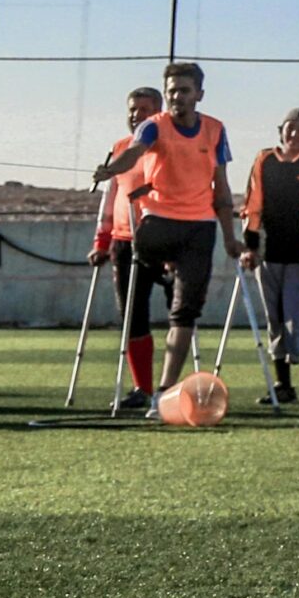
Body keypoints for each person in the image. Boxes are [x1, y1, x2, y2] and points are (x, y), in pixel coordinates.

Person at [91, 62, 241, 396]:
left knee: (185, 312)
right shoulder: (153, 127)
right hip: (158, 223)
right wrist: (109, 170)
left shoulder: (215, 130)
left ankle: (164, 389)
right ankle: (166, 271)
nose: (177, 96)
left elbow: (222, 187)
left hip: (200, 227)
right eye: (172, 90)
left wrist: (231, 237)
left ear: (198, 95)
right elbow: (134, 154)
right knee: (145, 258)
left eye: (184, 90)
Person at [241, 107, 299, 405]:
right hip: (268, 252)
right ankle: (283, 385)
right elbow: (253, 203)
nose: (295, 134)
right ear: (281, 130)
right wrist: (250, 245)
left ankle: (291, 365)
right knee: (274, 318)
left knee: (294, 317)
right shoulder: (265, 159)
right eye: (290, 128)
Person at [89, 86, 165, 408]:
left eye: (145, 109)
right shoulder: (119, 148)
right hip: (123, 241)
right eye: (133, 109)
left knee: (181, 312)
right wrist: (101, 241)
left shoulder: (166, 145)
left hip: (163, 237)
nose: (137, 115)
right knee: (132, 314)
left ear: (158, 113)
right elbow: (110, 199)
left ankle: (173, 387)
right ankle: (142, 389)